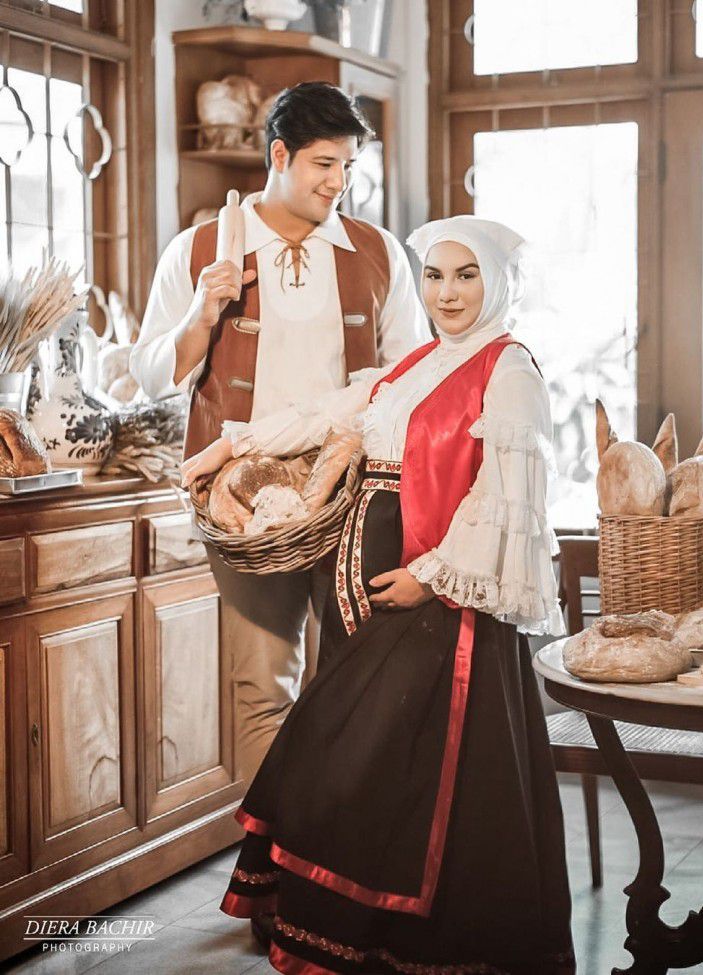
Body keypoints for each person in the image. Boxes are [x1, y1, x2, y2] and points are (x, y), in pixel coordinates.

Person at [185, 215, 574, 973]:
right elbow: (328, 414)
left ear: (498, 283)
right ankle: (355, 934)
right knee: (364, 765)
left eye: (466, 276)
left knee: (365, 763)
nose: (447, 293)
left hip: (438, 602)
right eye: (435, 275)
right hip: (363, 597)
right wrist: (231, 444)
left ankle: (408, 943)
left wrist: (430, 576)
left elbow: (507, 496)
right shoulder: (418, 364)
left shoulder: (509, 369)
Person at [131, 82, 429, 784]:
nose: (339, 182)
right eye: (324, 164)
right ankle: (274, 850)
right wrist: (203, 312)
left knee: (354, 685)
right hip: (241, 506)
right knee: (263, 688)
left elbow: (410, 379)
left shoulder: (377, 252)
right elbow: (150, 377)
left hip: (351, 497)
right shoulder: (198, 249)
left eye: (348, 166)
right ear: (278, 155)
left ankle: (338, 843)